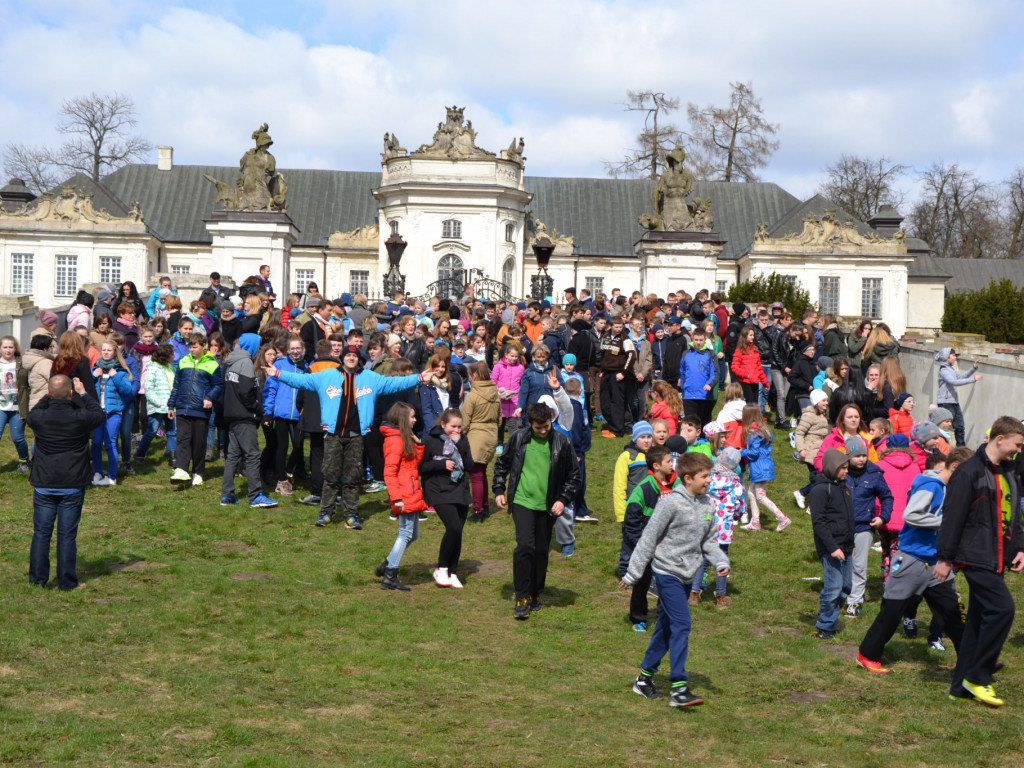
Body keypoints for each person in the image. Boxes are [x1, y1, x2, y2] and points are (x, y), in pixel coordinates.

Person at [266, 345, 424, 530]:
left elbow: (394, 384)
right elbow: (300, 380)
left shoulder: (370, 378)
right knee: (330, 474)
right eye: (348, 355)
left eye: (354, 356)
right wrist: (277, 374)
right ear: (343, 358)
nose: (351, 358)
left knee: (352, 476)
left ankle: (351, 514)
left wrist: (419, 378)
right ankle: (326, 513)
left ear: (358, 359)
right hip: (333, 434)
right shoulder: (327, 376)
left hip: (357, 435)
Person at [621, 451, 728, 707]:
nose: (709, 481)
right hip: (666, 572)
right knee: (682, 624)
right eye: (705, 476)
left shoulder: (707, 505)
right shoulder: (669, 503)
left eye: (710, 475)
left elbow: (709, 541)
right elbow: (649, 538)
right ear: (688, 478)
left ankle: (643, 679)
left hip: (687, 576)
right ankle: (679, 687)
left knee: (667, 628)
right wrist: (633, 573)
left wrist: (721, 562)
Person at [857, 449, 970, 675]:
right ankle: (867, 655)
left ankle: (973, 664)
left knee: (954, 615)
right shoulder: (931, 485)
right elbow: (912, 515)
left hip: (937, 563)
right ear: (956, 467)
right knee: (892, 611)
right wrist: (946, 522)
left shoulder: (949, 488)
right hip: (912, 560)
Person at [937, 416, 1024, 707]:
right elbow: (952, 516)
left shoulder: (1010, 472)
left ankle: (960, 687)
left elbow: (1014, 516)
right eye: (1017, 444)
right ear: (1000, 439)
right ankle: (978, 676)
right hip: (975, 556)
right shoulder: (970, 472)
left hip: (998, 557)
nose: (1019, 450)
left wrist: (1019, 547)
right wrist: (945, 558)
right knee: (1003, 610)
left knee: (977, 621)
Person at [493, 400, 580, 620]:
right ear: (529, 423)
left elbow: (574, 476)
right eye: (538, 427)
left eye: (546, 426)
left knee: (541, 551)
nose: (542, 431)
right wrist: (499, 489)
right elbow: (502, 464)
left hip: (548, 505)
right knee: (524, 547)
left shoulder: (563, 442)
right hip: (522, 501)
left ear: (551, 419)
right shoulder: (519, 439)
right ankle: (521, 596)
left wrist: (563, 499)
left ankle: (535, 593)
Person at [27, 375, 107, 591]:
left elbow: (31, 414)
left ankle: (37, 580)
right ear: (70, 393)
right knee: (67, 535)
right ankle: (67, 582)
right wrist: (83, 392)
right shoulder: (80, 417)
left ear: (49, 394)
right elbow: (99, 414)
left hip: (45, 481)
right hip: (71, 483)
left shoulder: (40, 417)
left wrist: (48, 396)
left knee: (41, 533)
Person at [624, 445, 679, 630]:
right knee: (641, 582)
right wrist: (642, 546)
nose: (673, 464)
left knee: (667, 583)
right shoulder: (643, 489)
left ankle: (666, 618)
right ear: (656, 465)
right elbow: (631, 524)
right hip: (646, 546)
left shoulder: (678, 486)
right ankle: (638, 619)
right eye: (669, 461)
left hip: (670, 546)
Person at [373, 402, 427, 591]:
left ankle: (387, 564)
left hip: (410, 489)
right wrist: (396, 498)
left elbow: (413, 464)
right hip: (404, 493)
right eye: (412, 417)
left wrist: (418, 444)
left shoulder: (404, 437)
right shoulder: (395, 440)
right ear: (403, 418)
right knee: (405, 534)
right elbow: (389, 471)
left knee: (413, 535)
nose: (415, 420)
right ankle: (390, 576)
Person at [221, 333, 277, 509]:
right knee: (252, 455)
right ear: (251, 345)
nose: (259, 348)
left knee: (233, 456)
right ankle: (255, 496)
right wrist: (258, 408)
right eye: (258, 345)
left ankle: (227, 495)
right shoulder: (245, 362)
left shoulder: (231, 362)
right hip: (245, 417)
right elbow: (246, 392)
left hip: (232, 415)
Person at [421, 407, 474, 589]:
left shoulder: (463, 440)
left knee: (458, 532)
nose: (457, 431)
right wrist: (441, 464)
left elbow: (469, 466)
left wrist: (461, 447)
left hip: (459, 490)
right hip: (438, 490)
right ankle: (441, 567)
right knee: (453, 527)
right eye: (453, 426)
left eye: (460, 427)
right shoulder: (430, 440)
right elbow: (421, 467)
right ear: (443, 424)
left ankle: (452, 572)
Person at [842, 435, 893, 617]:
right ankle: (841, 595)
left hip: (864, 526)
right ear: (848, 456)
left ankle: (855, 601)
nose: (862, 459)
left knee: (859, 565)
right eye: (857, 455)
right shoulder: (840, 473)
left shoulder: (875, 474)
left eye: (864, 455)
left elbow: (887, 497)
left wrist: (883, 517)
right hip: (842, 527)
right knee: (841, 563)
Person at [810, 448, 855, 640]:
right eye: (842, 468)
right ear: (831, 467)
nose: (846, 471)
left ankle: (829, 617)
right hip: (831, 548)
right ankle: (825, 625)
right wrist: (833, 547)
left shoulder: (843, 487)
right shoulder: (820, 490)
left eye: (846, 467)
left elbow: (847, 518)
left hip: (846, 546)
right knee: (834, 586)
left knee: (846, 587)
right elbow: (818, 522)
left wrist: (850, 544)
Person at [168, 333, 223, 487]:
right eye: (190, 346)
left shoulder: (212, 364)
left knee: (199, 442)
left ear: (203, 346)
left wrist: (209, 397)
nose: (192, 349)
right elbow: (177, 384)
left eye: (195, 346)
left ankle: (198, 472)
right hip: (183, 408)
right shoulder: (183, 361)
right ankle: (181, 469)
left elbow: (218, 385)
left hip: (201, 409)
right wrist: (171, 405)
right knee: (183, 440)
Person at [693, 446, 744, 609]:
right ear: (735, 465)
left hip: (705, 527)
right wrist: (734, 516)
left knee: (702, 560)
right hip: (723, 530)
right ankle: (720, 596)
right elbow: (740, 508)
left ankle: (694, 593)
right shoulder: (736, 485)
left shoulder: (708, 480)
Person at [738, 405, 790, 532]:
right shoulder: (762, 430)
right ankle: (755, 522)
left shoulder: (753, 433)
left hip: (759, 467)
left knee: (760, 496)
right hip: (763, 466)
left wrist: (741, 452)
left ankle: (782, 517)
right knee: (751, 492)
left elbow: (753, 453)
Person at [90, 340, 134, 487]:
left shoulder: (120, 372)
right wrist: (93, 376)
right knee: (96, 443)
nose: (106, 352)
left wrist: (115, 376)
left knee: (110, 443)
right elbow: (84, 388)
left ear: (115, 352)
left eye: (109, 350)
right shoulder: (95, 369)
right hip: (96, 413)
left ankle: (111, 476)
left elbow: (128, 391)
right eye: (104, 350)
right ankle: (97, 472)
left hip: (113, 412)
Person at [615, 421, 656, 576]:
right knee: (629, 541)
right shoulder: (626, 457)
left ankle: (645, 571)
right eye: (642, 437)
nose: (646, 440)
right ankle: (625, 570)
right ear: (635, 439)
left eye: (648, 437)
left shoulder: (654, 456)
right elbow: (619, 487)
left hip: (650, 508)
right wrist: (621, 513)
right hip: (631, 508)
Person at [461, 361, 500, 523]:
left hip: (476, 436)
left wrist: (458, 438)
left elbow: (464, 422)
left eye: (470, 375)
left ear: (475, 375)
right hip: (491, 435)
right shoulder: (495, 394)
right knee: (481, 472)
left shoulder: (472, 396)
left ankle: (478, 509)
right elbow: (499, 418)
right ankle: (484, 504)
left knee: (475, 475)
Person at [136, 343, 176, 463]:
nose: (174, 356)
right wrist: (159, 403)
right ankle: (140, 453)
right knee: (151, 431)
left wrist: (172, 404)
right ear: (165, 356)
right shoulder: (152, 369)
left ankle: (173, 456)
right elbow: (149, 389)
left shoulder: (172, 369)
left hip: (171, 407)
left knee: (172, 432)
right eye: (172, 354)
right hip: (157, 407)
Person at [934, 347, 981, 447]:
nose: (955, 358)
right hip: (945, 403)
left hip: (954, 402)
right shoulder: (943, 370)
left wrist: (973, 368)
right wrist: (973, 379)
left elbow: (961, 377)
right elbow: (953, 382)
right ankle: (941, 447)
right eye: (953, 355)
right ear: (947, 357)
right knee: (944, 427)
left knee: (960, 427)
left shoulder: (951, 369)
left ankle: (961, 449)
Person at [598, 314, 636, 439]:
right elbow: (603, 354)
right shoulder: (605, 336)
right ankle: (611, 425)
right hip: (606, 373)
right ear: (611, 326)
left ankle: (617, 430)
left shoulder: (625, 339)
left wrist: (623, 372)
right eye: (617, 326)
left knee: (617, 402)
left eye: (621, 326)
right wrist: (602, 369)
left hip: (618, 374)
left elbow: (632, 356)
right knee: (605, 401)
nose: (619, 329)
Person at [0, 336, 30, 472]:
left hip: (18, 407)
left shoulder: (22, 363)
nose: (8, 350)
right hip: (1, 406)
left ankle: (24, 461)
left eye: (10, 347)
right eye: (5, 347)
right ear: (0, 348)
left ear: (15, 348)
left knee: (17, 438)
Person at [679, 325, 716, 428]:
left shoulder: (710, 354)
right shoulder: (686, 354)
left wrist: (709, 384)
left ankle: (704, 442)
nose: (698, 342)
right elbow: (682, 372)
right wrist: (683, 386)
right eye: (696, 340)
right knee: (691, 424)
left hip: (704, 395)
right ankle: (691, 443)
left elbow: (715, 373)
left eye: (700, 340)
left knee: (704, 424)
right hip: (689, 394)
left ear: (705, 339)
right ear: (692, 339)